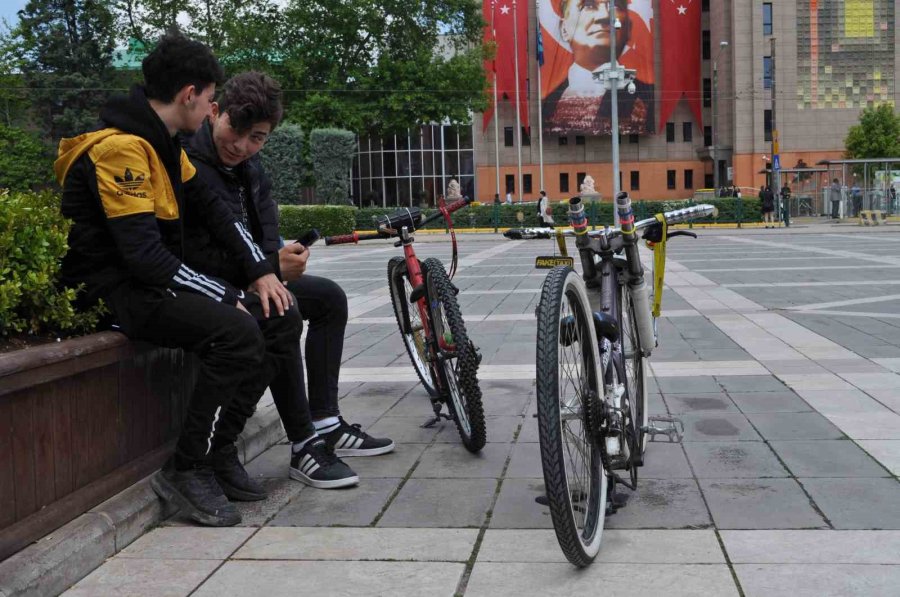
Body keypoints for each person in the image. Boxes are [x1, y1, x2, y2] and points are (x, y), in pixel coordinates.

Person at [56, 33, 303, 527]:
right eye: (212, 97)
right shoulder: (122, 149)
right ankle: (187, 468)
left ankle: (220, 451)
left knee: (279, 315)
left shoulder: (164, 143)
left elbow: (215, 210)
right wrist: (226, 293)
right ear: (190, 95)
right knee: (236, 332)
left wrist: (260, 273)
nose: (214, 106)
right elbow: (145, 258)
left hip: (149, 283)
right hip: (115, 292)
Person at [181, 72, 394, 487]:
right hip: (210, 284)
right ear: (214, 112)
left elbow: (264, 227)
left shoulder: (252, 166)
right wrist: (270, 269)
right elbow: (191, 253)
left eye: (257, 137)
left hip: (251, 273)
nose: (241, 146)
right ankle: (302, 444)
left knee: (328, 297)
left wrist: (277, 260)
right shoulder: (188, 162)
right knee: (284, 309)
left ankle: (326, 420)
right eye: (235, 130)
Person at [544, 0, 654, 136]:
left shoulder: (646, 101)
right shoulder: (547, 103)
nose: (605, 16)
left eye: (615, 6)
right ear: (564, 28)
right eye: (588, 5)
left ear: (628, 29)